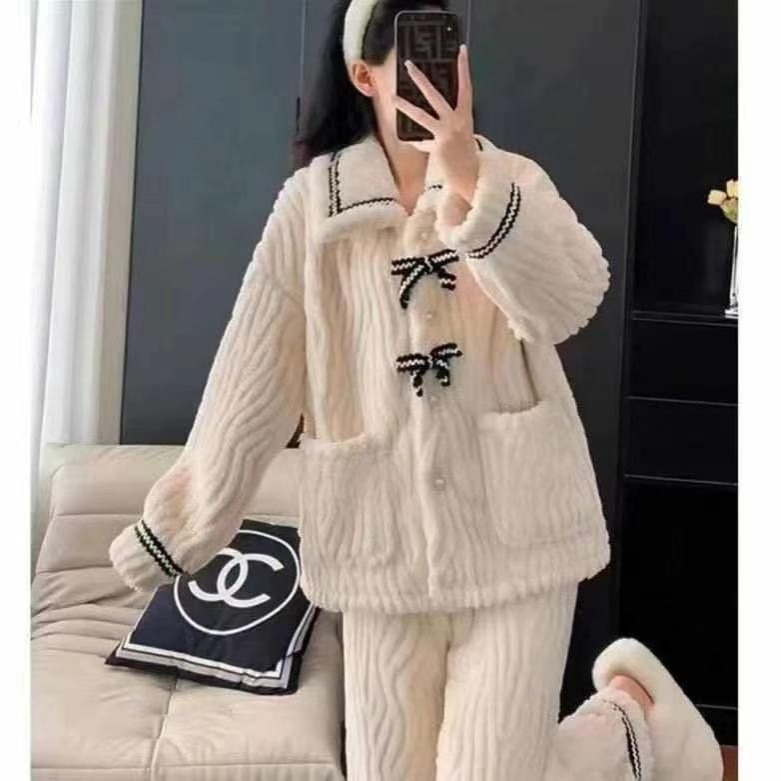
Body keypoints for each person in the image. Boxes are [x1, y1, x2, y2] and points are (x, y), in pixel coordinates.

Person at [108, 1, 724, 778]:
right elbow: (252, 376)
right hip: (381, 545)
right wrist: (177, 528)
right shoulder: (311, 209)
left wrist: (468, 180)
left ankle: (623, 722)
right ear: (362, 75)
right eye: (407, 57)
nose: (432, 74)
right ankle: (629, 726)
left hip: (516, 530)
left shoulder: (509, 179)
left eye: (444, 51)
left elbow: (570, 301)